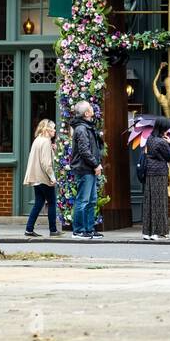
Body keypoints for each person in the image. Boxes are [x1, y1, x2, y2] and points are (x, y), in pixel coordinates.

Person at [69, 100, 104, 240]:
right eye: (90, 108)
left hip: (89, 168)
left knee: (91, 201)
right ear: (87, 113)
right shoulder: (81, 129)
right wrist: (96, 165)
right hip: (84, 169)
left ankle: (89, 229)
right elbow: (84, 151)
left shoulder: (86, 127)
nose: (93, 109)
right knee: (83, 200)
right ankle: (78, 231)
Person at [22, 119, 60, 238]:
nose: (54, 130)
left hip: (36, 178)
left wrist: (52, 150)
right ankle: (53, 230)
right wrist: (52, 177)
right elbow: (46, 163)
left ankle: (29, 229)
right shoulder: (46, 142)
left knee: (38, 203)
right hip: (44, 178)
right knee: (52, 202)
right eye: (53, 128)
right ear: (47, 129)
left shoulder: (37, 140)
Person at [142, 117, 170, 240]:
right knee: (159, 202)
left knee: (149, 201)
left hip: (150, 172)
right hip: (160, 173)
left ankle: (147, 232)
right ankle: (157, 231)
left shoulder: (150, 139)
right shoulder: (162, 142)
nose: (168, 131)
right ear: (163, 128)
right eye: (167, 128)